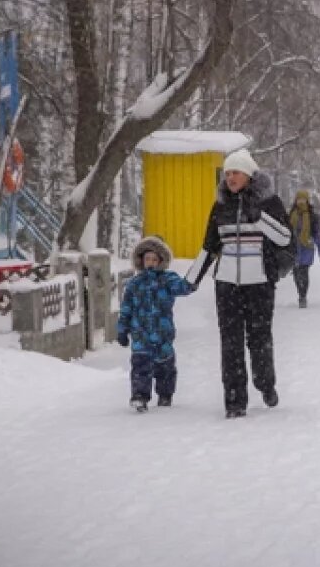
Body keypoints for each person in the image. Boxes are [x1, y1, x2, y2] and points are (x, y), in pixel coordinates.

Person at [186, 148, 291, 418]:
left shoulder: (270, 202)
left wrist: (260, 218)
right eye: (227, 173)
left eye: (235, 172)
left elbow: (284, 238)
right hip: (227, 285)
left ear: (249, 175)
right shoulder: (221, 206)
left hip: (260, 285)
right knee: (230, 343)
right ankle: (234, 401)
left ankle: (266, 384)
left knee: (259, 340)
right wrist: (191, 280)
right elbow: (209, 246)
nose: (230, 178)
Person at [116, 236, 194, 413]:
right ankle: (139, 396)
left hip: (162, 334)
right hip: (140, 334)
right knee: (140, 366)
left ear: (161, 261)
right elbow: (126, 308)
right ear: (141, 260)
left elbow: (183, 287)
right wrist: (122, 329)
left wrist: (193, 279)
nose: (150, 263)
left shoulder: (167, 279)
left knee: (165, 367)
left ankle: (165, 394)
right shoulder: (135, 284)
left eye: (154, 259)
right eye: (147, 259)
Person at [288, 189, 320, 308]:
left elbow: (317, 234)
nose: (301, 201)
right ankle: (300, 292)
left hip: (307, 247)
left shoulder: (313, 216)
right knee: (295, 273)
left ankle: (302, 296)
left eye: (303, 199)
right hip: (293, 247)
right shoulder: (291, 214)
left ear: (307, 200)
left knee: (304, 272)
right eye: (299, 199)